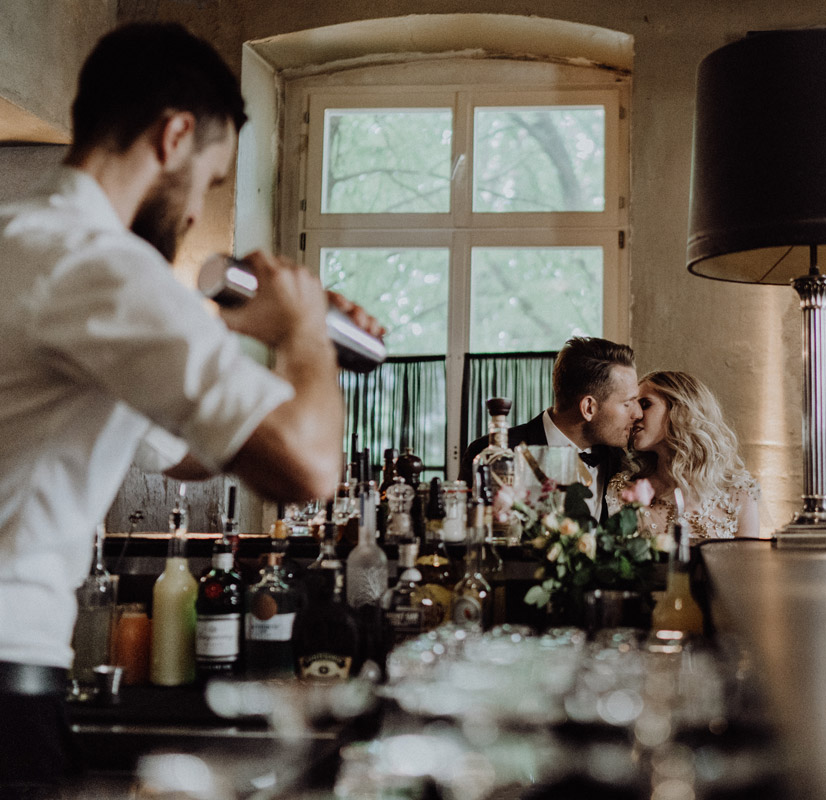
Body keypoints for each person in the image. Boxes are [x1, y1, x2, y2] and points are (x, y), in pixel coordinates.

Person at [0, 22, 382, 795]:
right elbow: (307, 470)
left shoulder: (26, 243)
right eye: (210, 182)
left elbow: (189, 454)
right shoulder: (100, 266)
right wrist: (305, 334)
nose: (193, 212)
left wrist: (270, 340)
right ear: (175, 134)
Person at [461, 337, 642, 522]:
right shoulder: (495, 455)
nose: (639, 413)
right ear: (589, 408)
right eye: (628, 403)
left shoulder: (619, 461)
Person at [608, 371, 761, 540]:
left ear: (681, 410)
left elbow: (747, 564)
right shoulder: (624, 489)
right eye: (632, 406)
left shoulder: (739, 492)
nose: (636, 415)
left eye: (645, 404)